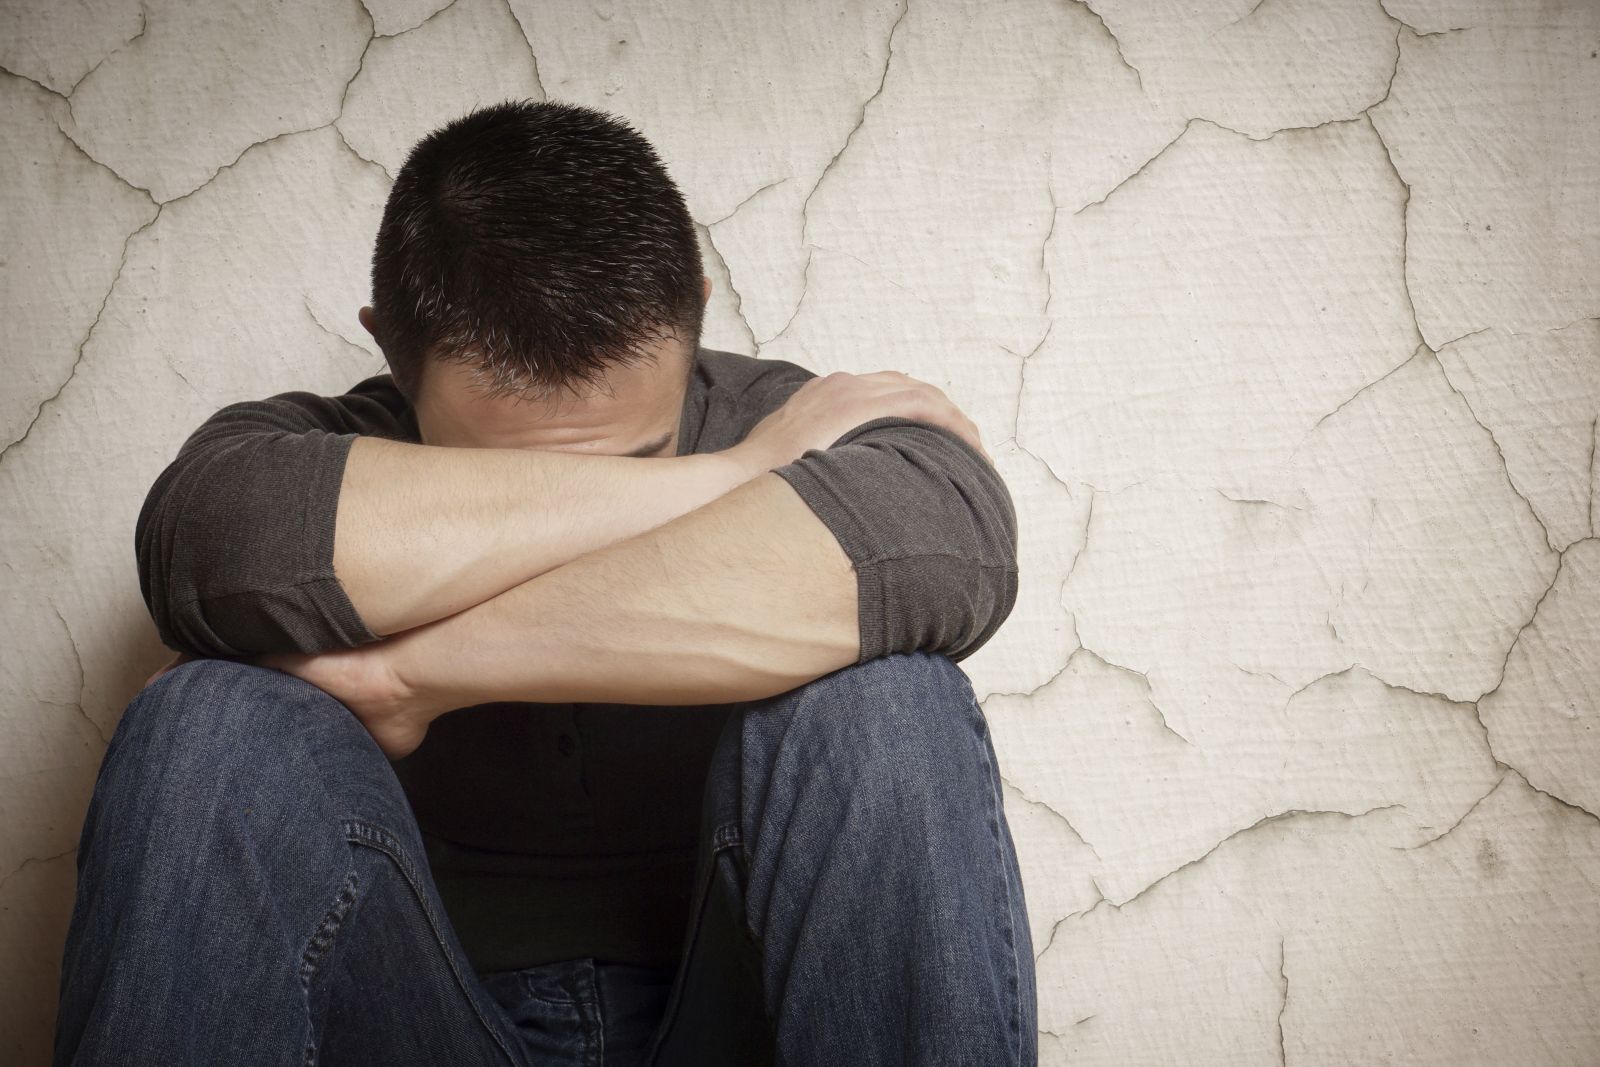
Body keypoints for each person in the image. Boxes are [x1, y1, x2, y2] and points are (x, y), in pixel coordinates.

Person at [53, 99, 1036, 1066]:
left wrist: (410, 678)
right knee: (211, 720)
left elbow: (948, 540)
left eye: (637, 456)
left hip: (738, 1009)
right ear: (389, 347)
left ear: (695, 307)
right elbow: (211, 540)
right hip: (420, 1014)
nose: (594, 491)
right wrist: (726, 478)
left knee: (889, 706)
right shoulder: (306, 450)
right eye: (505, 474)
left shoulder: (792, 411)